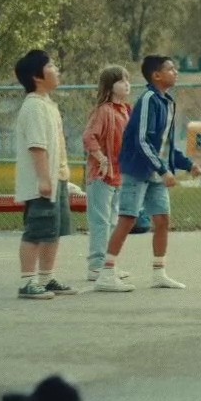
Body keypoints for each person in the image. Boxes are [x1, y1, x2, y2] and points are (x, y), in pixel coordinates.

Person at [102, 55, 201, 288]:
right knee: (128, 218)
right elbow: (142, 140)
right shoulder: (148, 99)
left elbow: (165, 144)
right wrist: (163, 170)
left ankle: (159, 274)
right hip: (138, 169)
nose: (176, 72)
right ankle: (106, 274)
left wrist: (188, 164)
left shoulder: (167, 102)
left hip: (156, 171)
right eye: (171, 69)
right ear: (156, 75)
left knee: (162, 219)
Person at [12, 49, 81, 301]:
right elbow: (37, 146)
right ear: (37, 76)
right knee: (36, 231)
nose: (56, 70)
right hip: (43, 182)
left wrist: (61, 178)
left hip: (57, 179)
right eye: (51, 66)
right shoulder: (34, 106)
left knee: (53, 231)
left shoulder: (48, 105)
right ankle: (27, 282)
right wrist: (43, 179)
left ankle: (46, 278)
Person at [82, 64, 135, 292]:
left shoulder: (125, 110)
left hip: (119, 176)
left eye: (127, 80)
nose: (127, 84)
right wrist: (101, 158)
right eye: (121, 80)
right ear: (110, 86)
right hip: (101, 176)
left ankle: (108, 265)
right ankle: (96, 265)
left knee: (113, 221)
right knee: (101, 221)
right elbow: (89, 137)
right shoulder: (103, 111)